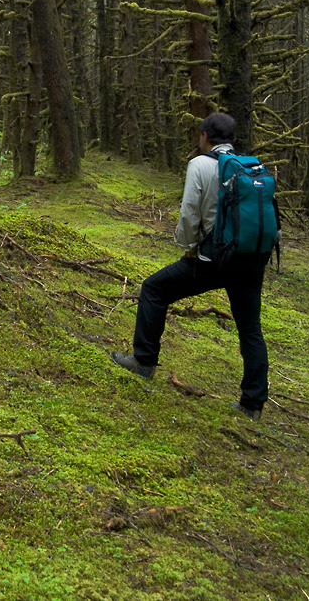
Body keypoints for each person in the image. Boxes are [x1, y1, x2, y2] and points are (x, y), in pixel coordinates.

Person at [111, 112, 271, 422]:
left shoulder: (200, 164)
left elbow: (189, 214)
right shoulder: (250, 165)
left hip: (214, 259)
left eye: (199, 135)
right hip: (251, 260)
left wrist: (188, 249)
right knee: (251, 329)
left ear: (205, 136)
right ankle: (252, 405)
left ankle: (143, 362)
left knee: (154, 288)